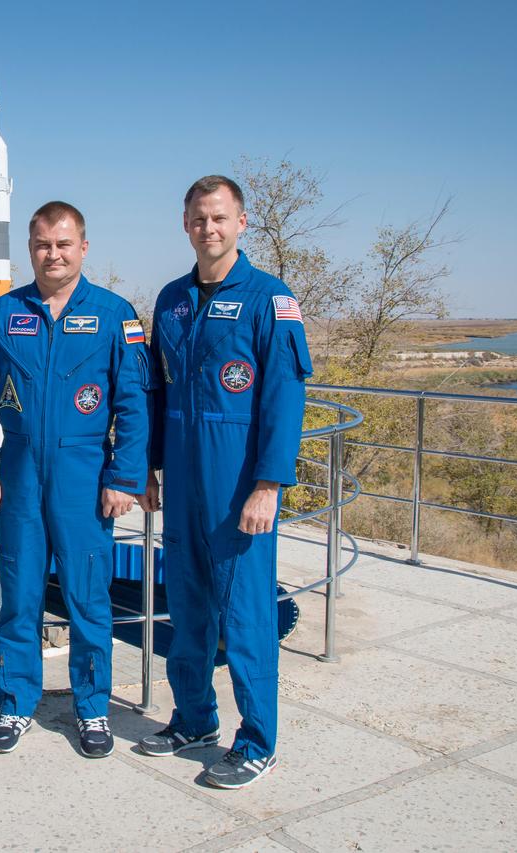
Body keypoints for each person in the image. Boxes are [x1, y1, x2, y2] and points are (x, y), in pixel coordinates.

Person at [139, 176, 313, 788]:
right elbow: (156, 392)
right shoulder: (172, 299)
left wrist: (269, 484)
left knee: (244, 618)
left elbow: (284, 399)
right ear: (184, 225)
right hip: (182, 480)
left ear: (241, 222)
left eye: (218, 218)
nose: (207, 229)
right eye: (197, 219)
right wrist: (149, 468)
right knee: (186, 610)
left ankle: (257, 740)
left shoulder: (270, 298)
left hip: (238, 485)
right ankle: (193, 717)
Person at [0, 201, 152, 758]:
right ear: (30, 248)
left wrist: (125, 477)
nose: (53, 254)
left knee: (88, 599)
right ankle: (15, 706)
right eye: (43, 244)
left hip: (86, 475)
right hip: (19, 472)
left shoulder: (115, 314)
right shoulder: (4, 314)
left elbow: (134, 404)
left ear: (83, 248)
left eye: (64, 244)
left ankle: (92, 710)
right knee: (18, 596)